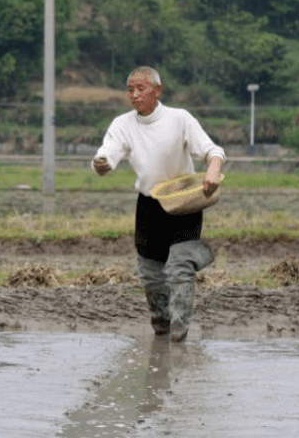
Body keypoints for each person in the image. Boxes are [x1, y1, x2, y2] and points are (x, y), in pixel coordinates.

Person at [91, 66, 225, 342]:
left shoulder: (180, 119)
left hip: (183, 204)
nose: (135, 95)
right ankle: (162, 327)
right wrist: (101, 163)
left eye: (141, 89)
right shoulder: (122, 124)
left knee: (179, 268)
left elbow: (213, 151)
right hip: (149, 206)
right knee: (151, 276)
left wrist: (213, 170)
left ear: (158, 90)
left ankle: (179, 334)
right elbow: (108, 156)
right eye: (130, 89)